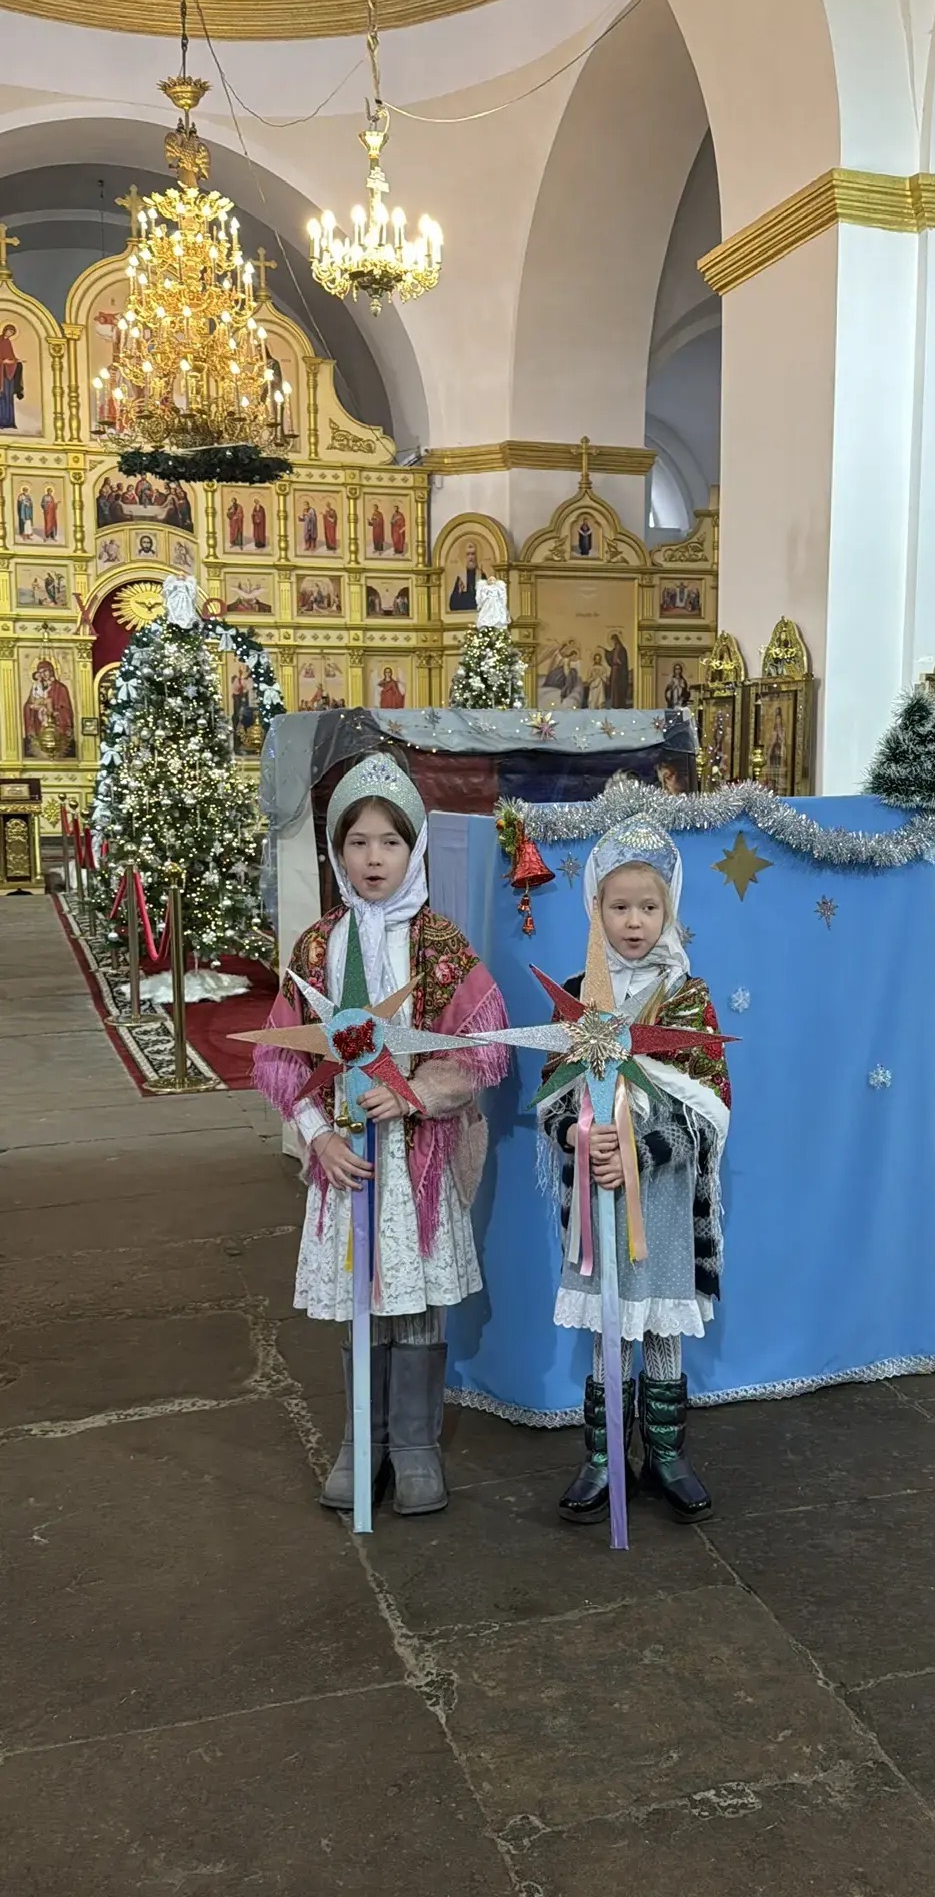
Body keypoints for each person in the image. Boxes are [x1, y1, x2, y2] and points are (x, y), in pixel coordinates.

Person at [253, 754, 510, 1517]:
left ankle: (416, 1443)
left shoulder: (438, 945)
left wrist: (418, 1094)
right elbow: (281, 1056)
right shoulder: (317, 948)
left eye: (390, 843)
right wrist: (317, 1138)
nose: (374, 858)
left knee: (414, 1297)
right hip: (348, 1162)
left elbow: (480, 1048)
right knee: (363, 1295)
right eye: (358, 842)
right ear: (338, 850)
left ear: (414, 848)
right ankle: (361, 1439)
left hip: (414, 1161)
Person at [539, 817, 731, 1527]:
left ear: (668, 911)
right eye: (619, 906)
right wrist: (577, 1135)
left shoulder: (687, 998)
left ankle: (667, 1455)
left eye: (648, 907)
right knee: (609, 1330)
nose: (634, 921)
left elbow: (709, 1108)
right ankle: (604, 1458)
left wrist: (641, 1152)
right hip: (599, 1198)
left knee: (660, 1328)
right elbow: (552, 1095)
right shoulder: (577, 996)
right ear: (596, 909)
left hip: (666, 1197)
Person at [0, 322, 23, 430]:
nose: (9, 334)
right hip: (1, 373)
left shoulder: (8, 342)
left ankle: (10, 422)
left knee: (9, 396)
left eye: (12, 333)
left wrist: (16, 361)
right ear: (5, 330)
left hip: (9, 373)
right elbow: (4, 359)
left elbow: (11, 357)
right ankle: (2, 421)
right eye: (9, 331)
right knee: (2, 396)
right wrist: (3, 362)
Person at [605, 631, 631, 708]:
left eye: (614, 640)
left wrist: (619, 661)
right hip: (614, 671)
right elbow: (611, 656)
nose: (613, 642)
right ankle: (614, 703)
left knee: (619, 687)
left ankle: (620, 704)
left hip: (620, 671)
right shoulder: (614, 649)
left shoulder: (622, 649)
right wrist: (606, 652)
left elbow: (623, 660)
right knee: (614, 687)